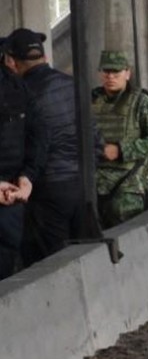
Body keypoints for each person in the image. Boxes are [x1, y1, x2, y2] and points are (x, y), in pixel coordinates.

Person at [2, 28, 84, 268]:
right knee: (78, 257)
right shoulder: (73, 85)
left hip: (43, 190)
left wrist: (26, 177)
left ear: (11, 62)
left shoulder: (19, 93)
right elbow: (94, 138)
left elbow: (28, 141)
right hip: (80, 184)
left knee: (46, 263)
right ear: (45, 58)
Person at [91, 50, 148, 228]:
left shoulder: (141, 102)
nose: (111, 77)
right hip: (95, 178)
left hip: (129, 179)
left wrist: (121, 150)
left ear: (127, 73)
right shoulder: (91, 100)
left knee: (123, 220)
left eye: (116, 72)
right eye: (107, 72)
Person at [0, 51, 44, 279]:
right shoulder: (18, 87)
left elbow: (36, 135)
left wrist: (27, 176)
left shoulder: (17, 88)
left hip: (11, 193)